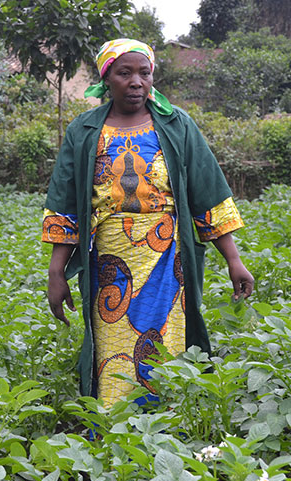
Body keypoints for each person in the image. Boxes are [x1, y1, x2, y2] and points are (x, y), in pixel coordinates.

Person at [41, 39, 253, 407]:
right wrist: (57, 272)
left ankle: (166, 428)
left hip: (168, 263)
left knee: (164, 344)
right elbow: (67, 204)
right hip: (108, 262)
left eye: (145, 72)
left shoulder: (176, 126)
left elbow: (207, 193)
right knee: (112, 348)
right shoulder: (84, 131)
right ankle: (112, 427)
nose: (136, 81)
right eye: (125, 73)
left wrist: (233, 259)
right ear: (107, 78)